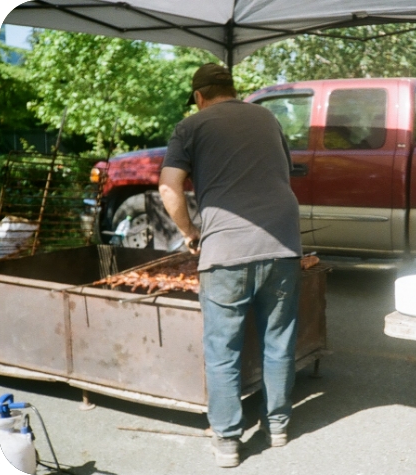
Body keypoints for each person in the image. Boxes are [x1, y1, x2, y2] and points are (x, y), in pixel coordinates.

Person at [158, 63, 303, 468]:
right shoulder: (267, 116)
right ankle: (278, 428)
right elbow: (283, 173)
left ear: (199, 97)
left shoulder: (191, 126)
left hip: (226, 248)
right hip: (282, 242)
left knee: (223, 349)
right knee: (279, 340)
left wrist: (190, 231)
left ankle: (227, 441)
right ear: (232, 90)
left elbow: (169, 187)